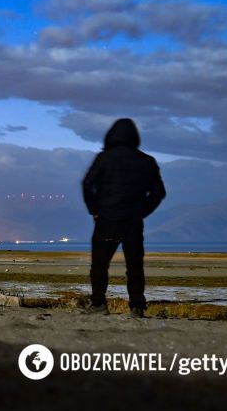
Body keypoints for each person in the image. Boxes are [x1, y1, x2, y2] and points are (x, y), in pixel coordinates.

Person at [82, 118, 166, 317]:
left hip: (106, 221)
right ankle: (137, 307)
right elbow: (158, 193)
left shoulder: (104, 158)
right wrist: (142, 211)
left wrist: (94, 210)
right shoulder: (147, 161)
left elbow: (87, 185)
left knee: (100, 265)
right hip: (133, 222)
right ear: (134, 137)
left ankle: (98, 305)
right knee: (134, 266)